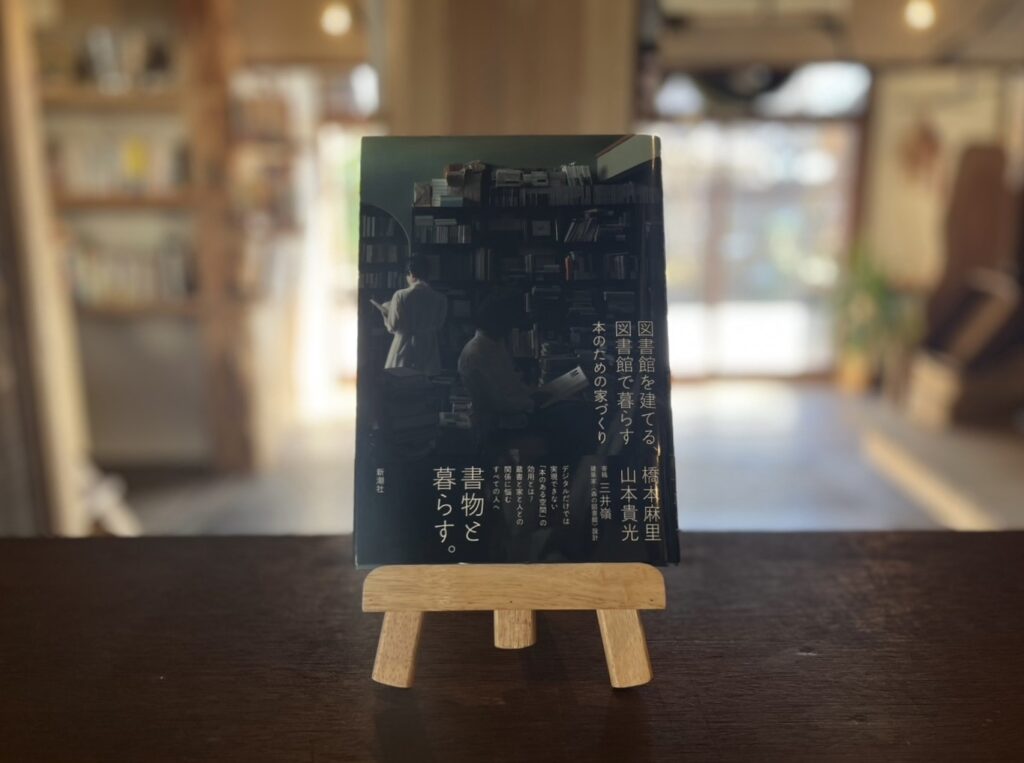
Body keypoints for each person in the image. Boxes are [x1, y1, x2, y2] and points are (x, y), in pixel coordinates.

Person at [374, 255, 447, 374]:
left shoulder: (400, 295)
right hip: (428, 346)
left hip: (404, 346)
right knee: (425, 380)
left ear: (411, 274)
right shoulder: (441, 298)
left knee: (402, 380)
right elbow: (439, 325)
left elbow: (393, 327)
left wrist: (386, 313)